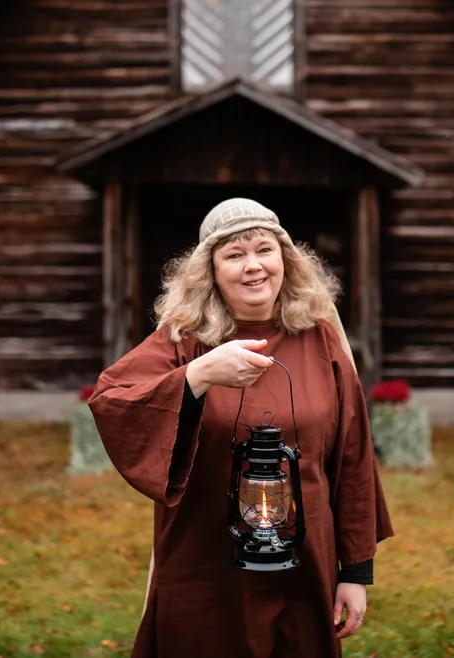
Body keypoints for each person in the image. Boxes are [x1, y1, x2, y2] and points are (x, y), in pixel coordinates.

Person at [88, 197, 394, 657]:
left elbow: (352, 459)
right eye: (234, 255)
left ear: (285, 260)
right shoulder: (185, 338)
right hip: (204, 565)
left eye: (264, 250)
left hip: (304, 565)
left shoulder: (320, 337)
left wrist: (354, 572)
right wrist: (199, 375)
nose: (253, 266)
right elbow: (113, 399)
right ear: (210, 270)